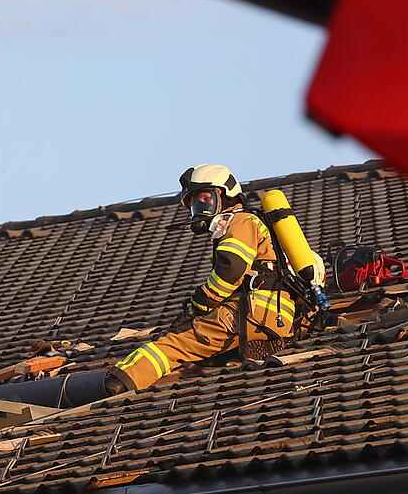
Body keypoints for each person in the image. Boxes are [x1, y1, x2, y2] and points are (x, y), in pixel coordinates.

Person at [104, 164, 295, 394]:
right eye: (195, 203)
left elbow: (230, 271)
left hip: (249, 313)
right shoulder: (251, 225)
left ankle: (118, 382)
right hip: (269, 317)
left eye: (205, 199)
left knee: (173, 344)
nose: (200, 208)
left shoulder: (241, 221)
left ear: (225, 194)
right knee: (201, 355)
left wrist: (199, 304)